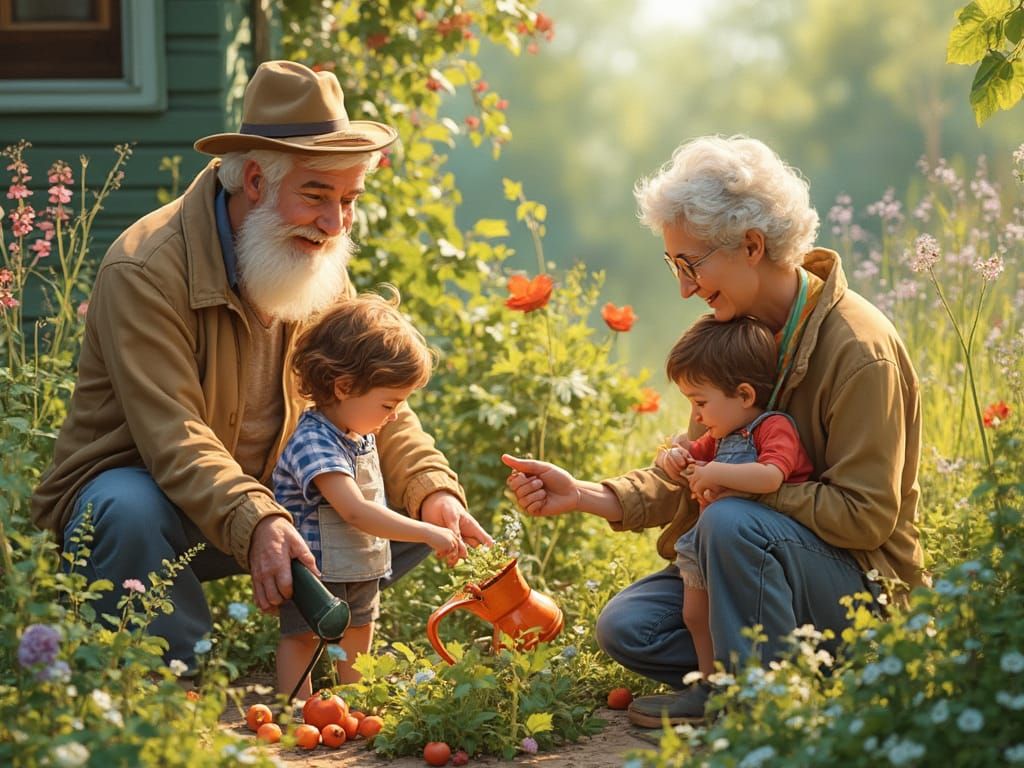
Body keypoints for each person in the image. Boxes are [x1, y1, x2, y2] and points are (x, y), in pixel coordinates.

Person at [30, 60, 491, 672]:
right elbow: (173, 439)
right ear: (254, 179)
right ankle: (164, 687)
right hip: (162, 505)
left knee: (407, 504)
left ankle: (324, 646)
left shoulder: (315, 257)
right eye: (317, 196)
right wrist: (257, 519)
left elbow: (372, 400)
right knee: (125, 505)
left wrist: (432, 490)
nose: (334, 224)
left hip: (274, 499)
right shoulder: (145, 270)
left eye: (349, 200)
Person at [502, 134, 926, 726]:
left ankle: (760, 707)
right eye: (673, 265)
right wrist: (584, 495)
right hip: (757, 565)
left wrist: (746, 488)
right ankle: (771, 674)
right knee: (629, 627)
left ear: (751, 245)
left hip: (859, 591)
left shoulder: (859, 350)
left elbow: (865, 517)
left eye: (691, 264)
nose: (684, 287)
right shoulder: (730, 337)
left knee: (729, 521)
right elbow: (697, 467)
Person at [274, 291, 461, 695]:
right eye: (388, 405)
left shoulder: (358, 433)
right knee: (303, 636)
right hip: (316, 568)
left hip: (359, 562)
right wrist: (426, 531)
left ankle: (355, 700)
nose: (394, 417)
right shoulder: (314, 441)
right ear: (343, 387)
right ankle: (296, 710)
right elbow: (355, 510)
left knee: (360, 629)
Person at [654, 313, 813, 721]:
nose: (696, 416)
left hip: (753, 552)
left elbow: (771, 476)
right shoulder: (718, 437)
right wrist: (675, 459)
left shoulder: (773, 428)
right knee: (695, 614)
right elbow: (692, 456)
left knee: (733, 620)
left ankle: (759, 693)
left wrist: (715, 473)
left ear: (743, 394)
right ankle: (710, 687)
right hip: (705, 546)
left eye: (700, 402)